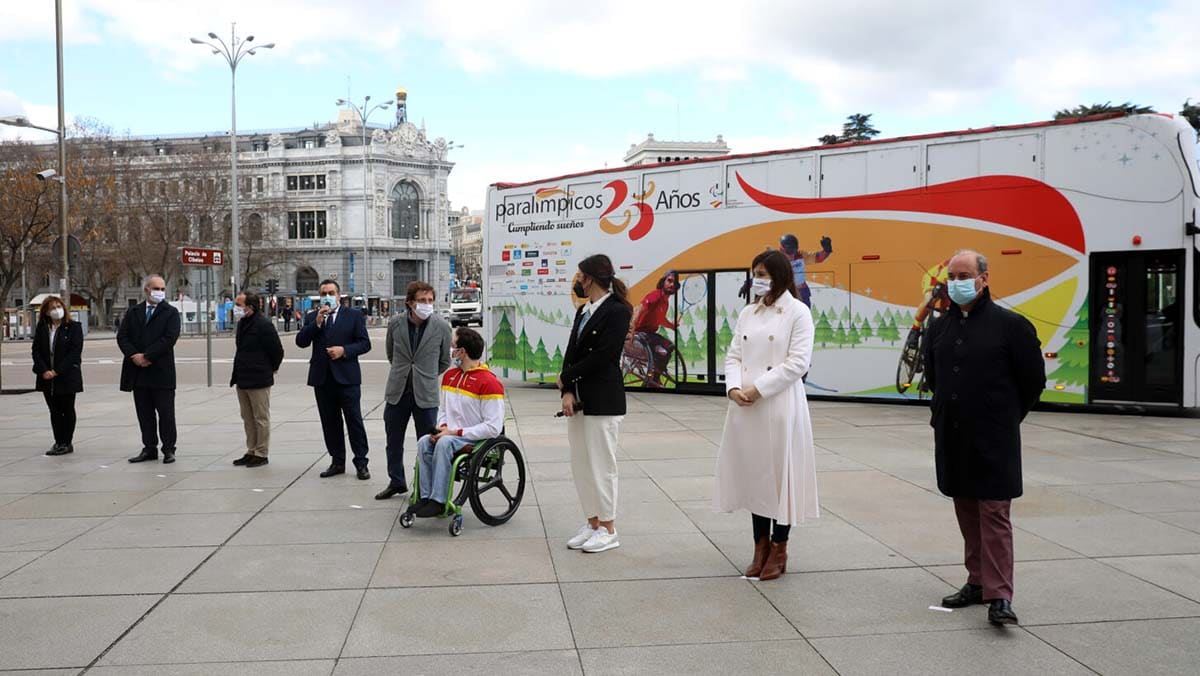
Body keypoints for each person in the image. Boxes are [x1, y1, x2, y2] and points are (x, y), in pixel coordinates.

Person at [922, 249, 1045, 626]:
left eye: (964, 275)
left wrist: (1007, 417)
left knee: (994, 514)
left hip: (993, 438)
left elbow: (1032, 382)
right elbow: (935, 377)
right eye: (952, 276)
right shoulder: (939, 327)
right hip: (954, 436)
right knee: (966, 510)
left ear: (984, 279)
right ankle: (977, 581)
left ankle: (1000, 596)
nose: (956, 283)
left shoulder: (1012, 326)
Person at [715, 249, 819, 581]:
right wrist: (733, 388)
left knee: (779, 476)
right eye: (754, 272)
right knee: (754, 476)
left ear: (780, 274)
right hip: (745, 406)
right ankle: (759, 546)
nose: (757, 279)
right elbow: (733, 355)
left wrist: (759, 388)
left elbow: (798, 363)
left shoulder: (798, 312)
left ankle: (779, 546)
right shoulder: (749, 312)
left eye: (763, 272)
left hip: (778, 403)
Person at [558, 254, 634, 554]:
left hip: (603, 398)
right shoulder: (584, 310)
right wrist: (566, 389)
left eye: (580, 275)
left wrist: (567, 377)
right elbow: (571, 350)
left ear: (590, 278)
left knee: (602, 465)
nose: (576, 280)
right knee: (581, 465)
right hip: (578, 399)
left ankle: (609, 527)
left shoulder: (617, 311)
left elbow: (603, 356)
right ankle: (592, 523)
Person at [408, 328, 504, 517]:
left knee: (444, 443)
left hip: (474, 439)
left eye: (453, 347)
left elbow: (493, 427)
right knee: (424, 442)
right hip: (450, 435)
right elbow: (443, 410)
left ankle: (439, 500)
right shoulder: (450, 377)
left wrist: (454, 433)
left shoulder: (489, 383)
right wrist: (442, 428)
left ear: (463, 352)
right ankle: (425, 497)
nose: (450, 351)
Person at [377, 281, 452, 500]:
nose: (427, 304)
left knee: (427, 443)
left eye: (430, 300)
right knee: (393, 441)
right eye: (422, 300)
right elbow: (391, 355)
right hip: (397, 391)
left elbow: (444, 361)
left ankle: (423, 487)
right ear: (410, 303)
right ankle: (396, 481)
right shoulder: (395, 324)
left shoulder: (441, 326)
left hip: (426, 394)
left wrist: (426, 375)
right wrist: (404, 372)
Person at [297, 279, 373, 480]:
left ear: (339, 296)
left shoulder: (354, 316)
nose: (327, 296)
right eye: (323, 293)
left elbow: (365, 344)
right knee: (330, 423)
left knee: (354, 421)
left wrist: (344, 351)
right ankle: (337, 461)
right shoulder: (313, 316)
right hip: (322, 379)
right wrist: (317, 323)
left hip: (347, 378)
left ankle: (361, 462)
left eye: (331, 292)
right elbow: (301, 341)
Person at [119, 275, 181, 464]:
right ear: (146, 289)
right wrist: (134, 356)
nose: (160, 292)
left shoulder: (170, 312)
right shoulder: (134, 312)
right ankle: (149, 447)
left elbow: (169, 338)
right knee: (144, 413)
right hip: (138, 372)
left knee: (166, 413)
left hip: (161, 371)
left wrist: (147, 356)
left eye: (162, 289)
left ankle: (169, 448)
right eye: (156, 288)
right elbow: (123, 337)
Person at [230, 291, 285, 468]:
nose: (235, 308)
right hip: (242, 377)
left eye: (239, 305)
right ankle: (251, 450)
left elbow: (277, 351)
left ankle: (262, 453)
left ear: (250, 307)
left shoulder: (263, 325)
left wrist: (271, 368)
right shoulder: (242, 323)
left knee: (260, 417)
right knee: (247, 417)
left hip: (259, 378)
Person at [32, 295, 83, 456]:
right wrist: (44, 370)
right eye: (52, 308)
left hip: (66, 376)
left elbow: (75, 353)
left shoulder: (74, 327)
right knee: (54, 410)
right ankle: (58, 441)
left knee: (67, 409)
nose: (57, 310)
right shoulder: (42, 327)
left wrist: (57, 371)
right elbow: (36, 351)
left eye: (58, 306)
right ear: (46, 312)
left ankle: (67, 442)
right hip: (46, 377)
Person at [626, 270, 678, 386]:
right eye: (669, 281)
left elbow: (660, 319)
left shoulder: (665, 302)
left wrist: (672, 326)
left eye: (674, 283)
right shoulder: (656, 295)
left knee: (669, 346)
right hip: (642, 333)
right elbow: (640, 309)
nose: (671, 285)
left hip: (651, 334)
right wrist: (632, 329)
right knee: (660, 347)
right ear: (663, 282)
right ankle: (654, 375)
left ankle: (655, 377)